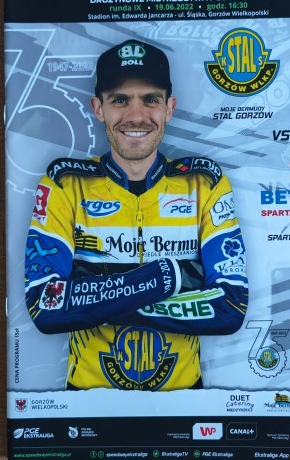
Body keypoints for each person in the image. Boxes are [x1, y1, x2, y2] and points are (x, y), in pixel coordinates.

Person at [25, 39, 248, 391]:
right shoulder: (65, 183)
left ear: (169, 108)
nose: (136, 116)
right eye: (119, 100)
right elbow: (46, 305)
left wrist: (92, 296)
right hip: (88, 401)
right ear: (98, 108)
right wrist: (169, 276)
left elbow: (230, 307)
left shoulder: (204, 182)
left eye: (150, 99)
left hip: (184, 400)